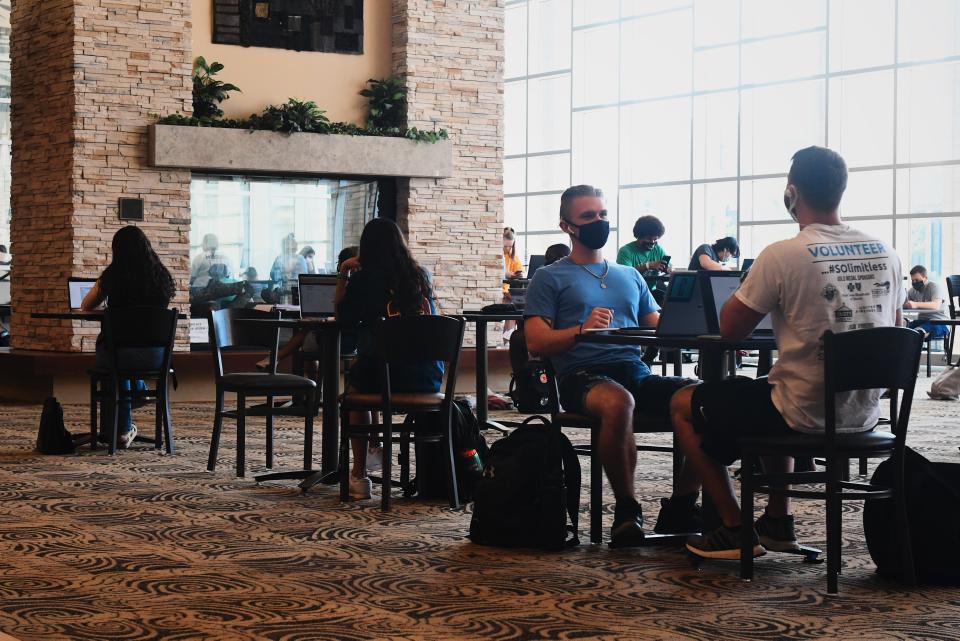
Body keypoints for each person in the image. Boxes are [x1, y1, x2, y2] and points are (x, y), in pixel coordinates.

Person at [671, 146, 905, 560]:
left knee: (683, 402)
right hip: (862, 413)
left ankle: (733, 527)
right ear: (841, 190)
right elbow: (897, 331)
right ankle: (778, 522)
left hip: (801, 411)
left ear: (792, 192)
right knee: (770, 386)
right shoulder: (886, 253)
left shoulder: (783, 254)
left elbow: (730, 328)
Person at [523, 185, 702, 547]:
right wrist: (580, 330)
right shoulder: (550, 277)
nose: (599, 222)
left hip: (632, 369)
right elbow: (536, 341)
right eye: (588, 217)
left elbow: (658, 324)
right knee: (620, 402)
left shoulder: (629, 275)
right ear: (567, 226)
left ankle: (681, 505)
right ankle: (627, 509)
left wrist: (696, 318)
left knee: (703, 397)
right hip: (579, 375)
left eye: (602, 215)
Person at [336, 219, 443, 500]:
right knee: (368, 369)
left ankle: (360, 475)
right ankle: (375, 445)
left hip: (385, 376)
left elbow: (343, 318)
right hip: (428, 378)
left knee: (354, 390)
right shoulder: (422, 275)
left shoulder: (364, 278)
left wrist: (344, 272)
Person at [81, 226, 176, 448]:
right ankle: (138, 393)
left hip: (119, 356)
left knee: (116, 358)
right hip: (157, 358)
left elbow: (86, 305)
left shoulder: (113, 277)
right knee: (125, 355)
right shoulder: (162, 277)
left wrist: (103, 286)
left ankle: (121, 432)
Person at [617, 216, 670, 293]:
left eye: (655, 239)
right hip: (631, 292)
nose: (652, 242)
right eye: (649, 238)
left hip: (651, 293)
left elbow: (670, 267)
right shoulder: (625, 251)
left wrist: (667, 269)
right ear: (639, 236)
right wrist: (648, 266)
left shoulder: (658, 249)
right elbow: (626, 276)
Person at [904, 265, 950, 340]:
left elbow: (936, 305)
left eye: (917, 280)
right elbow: (905, 303)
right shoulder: (913, 290)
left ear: (925, 278)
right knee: (902, 331)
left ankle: (916, 345)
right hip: (921, 321)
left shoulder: (934, 287)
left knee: (918, 332)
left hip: (940, 322)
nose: (914, 282)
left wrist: (915, 304)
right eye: (913, 280)